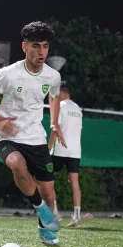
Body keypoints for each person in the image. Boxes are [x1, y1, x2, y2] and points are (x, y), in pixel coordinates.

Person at [0, 21, 66, 245]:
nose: (41, 51)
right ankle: (40, 208)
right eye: (36, 46)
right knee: (17, 165)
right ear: (24, 47)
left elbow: (54, 96)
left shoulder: (52, 76)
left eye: (45, 46)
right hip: (7, 137)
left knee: (49, 193)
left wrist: (54, 123)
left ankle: (44, 229)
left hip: (36, 137)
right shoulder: (8, 74)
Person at [48, 81, 83, 227]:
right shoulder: (78, 109)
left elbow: (55, 128)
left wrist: (48, 147)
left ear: (62, 93)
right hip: (75, 151)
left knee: (46, 178)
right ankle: (77, 217)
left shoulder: (60, 106)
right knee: (74, 182)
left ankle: (55, 212)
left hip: (60, 149)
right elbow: (80, 132)